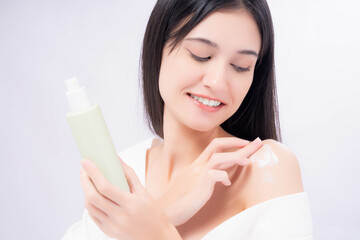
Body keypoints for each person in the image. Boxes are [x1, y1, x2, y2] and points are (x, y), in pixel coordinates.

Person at [63, 0, 313, 239]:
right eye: (200, 55)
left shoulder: (266, 167)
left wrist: (156, 228)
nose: (216, 82)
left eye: (240, 66)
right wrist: (165, 210)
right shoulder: (125, 171)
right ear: (158, 48)